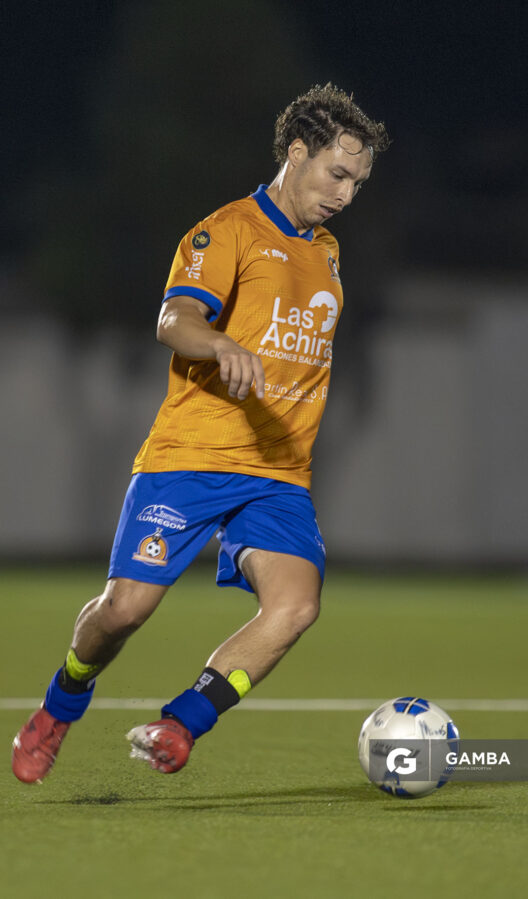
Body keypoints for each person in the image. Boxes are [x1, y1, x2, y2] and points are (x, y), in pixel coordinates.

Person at [12, 83, 389, 783]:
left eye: (358, 181)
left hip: (278, 472)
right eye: (338, 173)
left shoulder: (328, 252)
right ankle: (61, 703)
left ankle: (180, 724)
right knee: (123, 611)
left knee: (296, 606)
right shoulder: (228, 230)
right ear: (298, 153)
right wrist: (216, 345)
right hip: (192, 456)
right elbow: (174, 319)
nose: (346, 192)